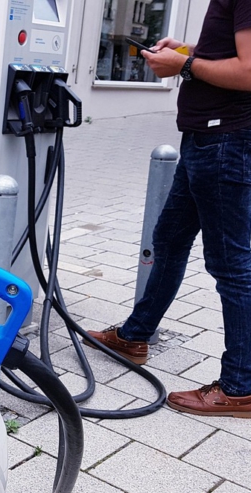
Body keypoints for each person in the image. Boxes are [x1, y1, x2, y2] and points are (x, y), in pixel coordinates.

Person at [85, 0, 251, 418]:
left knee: (231, 264)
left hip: (226, 141)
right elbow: (228, 51)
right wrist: (187, 50)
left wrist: (185, 65)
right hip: (205, 139)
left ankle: (240, 387)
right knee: (170, 239)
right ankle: (134, 335)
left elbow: (248, 71)